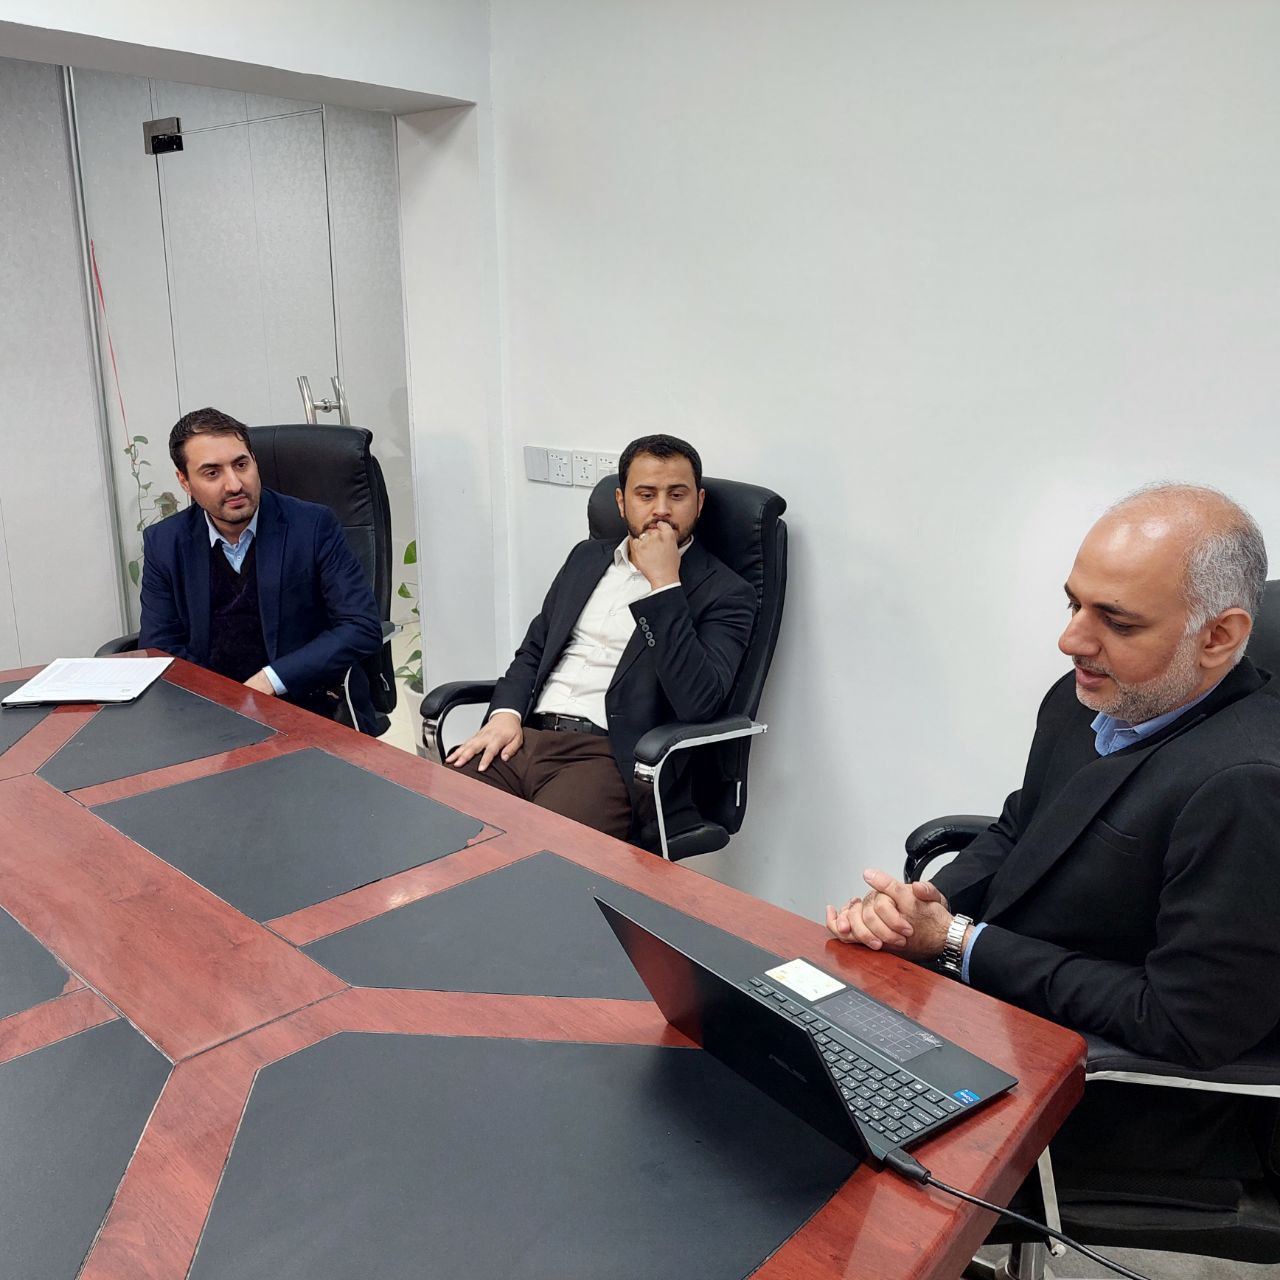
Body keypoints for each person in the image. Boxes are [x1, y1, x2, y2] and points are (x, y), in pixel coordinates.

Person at [827, 483, 1280, 1189]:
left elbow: (1182, 1024)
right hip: (1000, 1014)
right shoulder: (1090, 699)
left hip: (1113, 1091)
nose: (1072, 641)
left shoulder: (1247, 787)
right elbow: (1020, 828)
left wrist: (958, 942)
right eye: (1074, 605)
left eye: (1117, 622)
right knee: (783, 1061)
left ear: (1218, 637)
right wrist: (920, 910)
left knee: (833, 1162)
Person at [447, 434, 757, 842]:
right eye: (646, 494)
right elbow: (535, 650)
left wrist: (664, 585)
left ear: (698, 502)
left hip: (606, 757)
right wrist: (505, 714)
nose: (661, 509)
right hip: (521, 738)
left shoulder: (726, 593)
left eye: (677, 495)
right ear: (621, 502)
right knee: (436, 828)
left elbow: (699, 702)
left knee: (536, 858)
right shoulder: (586, 557)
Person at [139, 407, 383, 730]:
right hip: (209, 714)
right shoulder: (165, 543)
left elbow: (361, 626)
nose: (234, 484)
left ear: (254, 460)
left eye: (241, 465)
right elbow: (160, 646)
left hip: (306, 707)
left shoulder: (312, 526)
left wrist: (269, 681)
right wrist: (226, 700)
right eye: (212, 473)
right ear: (184, 481)